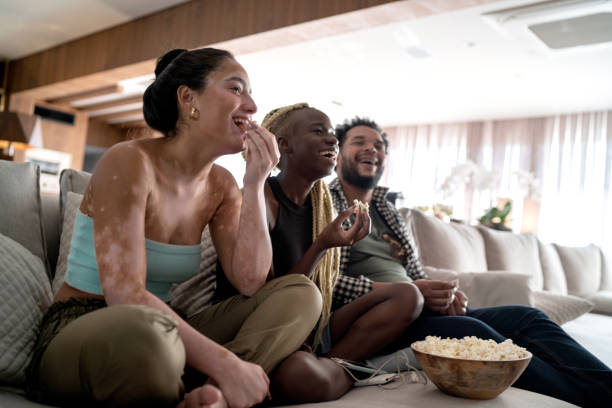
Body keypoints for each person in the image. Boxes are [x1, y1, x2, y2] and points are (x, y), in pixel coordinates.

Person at [25, 48, 323, 408]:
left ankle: (217, 394)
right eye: (237, 89)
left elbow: (250, 280)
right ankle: (216, 380)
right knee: (150, 336)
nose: (252, 106)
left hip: (165, 333)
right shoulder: (130, 160)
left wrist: (256, 182)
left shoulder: (222, 186)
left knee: (301, 293)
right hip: (88, 329)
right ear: (188, 99)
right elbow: (124, 294)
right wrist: (227, 362)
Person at [328, 116, 612, 407]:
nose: (371, 149)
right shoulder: (326, 203)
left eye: (378, 145)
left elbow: (415, 274)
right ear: (337, 156)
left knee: (529, 317)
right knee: (476, 335)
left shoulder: (389, 212)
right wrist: (405, 292)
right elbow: (323, 284)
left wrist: (441, 296)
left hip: (420, 309)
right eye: (359, 142)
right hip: (379, 319)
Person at [216, 103, 423, 403]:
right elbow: (269, 297)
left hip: (312, 325)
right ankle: (356, 371)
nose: (332, 140)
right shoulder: (261, 196)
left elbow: (324, 288)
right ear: (283, 145)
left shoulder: (322, 205)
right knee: (299, 377)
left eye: (331, 133)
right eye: (318, 132)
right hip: (263, 327)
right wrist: (322, 244)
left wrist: (331, 243)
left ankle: (336, 364)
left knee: (409, 295)